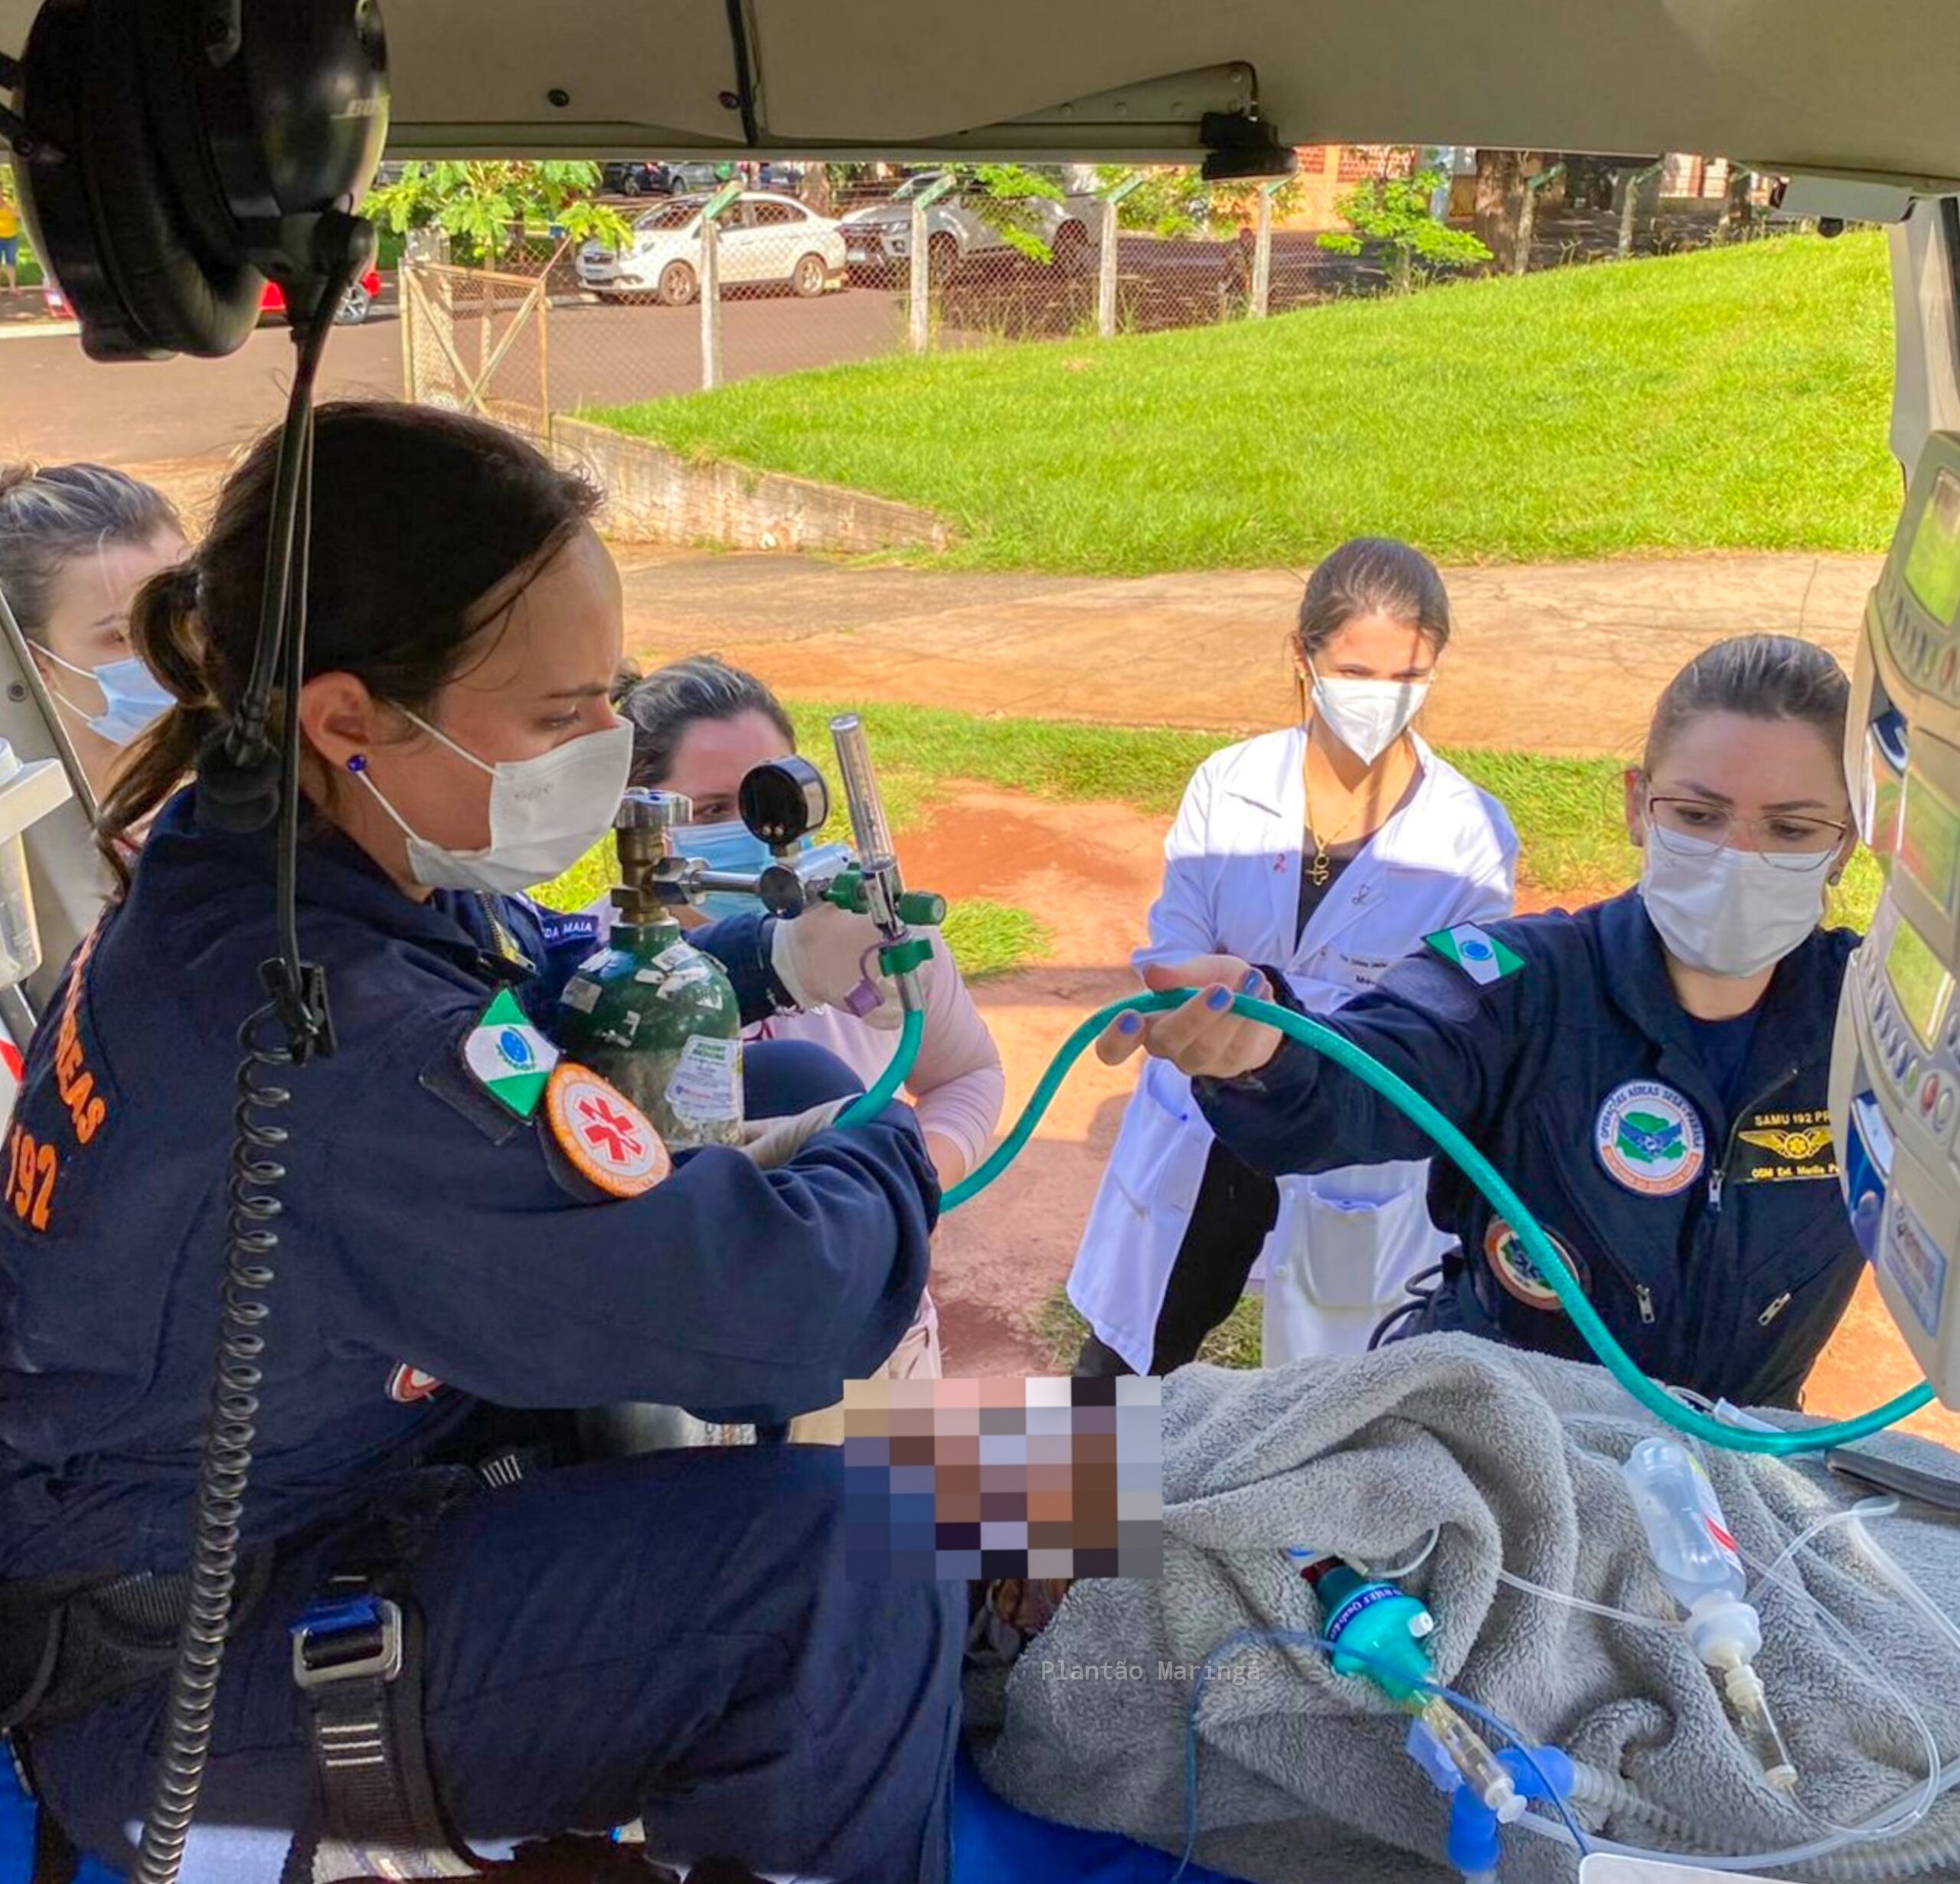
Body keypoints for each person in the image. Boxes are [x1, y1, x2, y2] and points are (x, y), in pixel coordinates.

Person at [0, 403, 959, 1884]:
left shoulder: (271, 856)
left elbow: (508, 980)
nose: (607, 747)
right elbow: (774, 1317)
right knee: (852, 1567)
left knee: (990, 1497)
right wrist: (894, 1154)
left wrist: (764, 964)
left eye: (614, 698)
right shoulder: (327, 1032)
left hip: (313, 1512)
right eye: (561, 715)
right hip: (197, 1683)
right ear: (347, 717)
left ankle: (1089, 1556)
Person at [1096, 633, 1864, 1412]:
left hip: (1739, 1472)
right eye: (1697, 814)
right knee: (1102, 1471)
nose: (1737, 857)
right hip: (1491, 1453)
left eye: (1791, 829)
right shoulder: (1520, 984)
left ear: (1850, 839)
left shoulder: (1875, 1024)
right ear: (1638, 805)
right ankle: (994, 1513)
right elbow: (1364, 1080)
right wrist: (1268, 1048)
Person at [1070, 538, 1518, 1375]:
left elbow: (1451, 1018)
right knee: (1122, 1370)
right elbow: (1174, 949)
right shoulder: (1225, 785)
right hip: (1206, 1114)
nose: (1379, 700)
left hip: (1345, 1144)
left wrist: (1262, 997)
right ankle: (1088, 1505)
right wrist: (1223, 995)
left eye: (1405, 678)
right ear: (1302, 656)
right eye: (1354, 672)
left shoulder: (1471, 836)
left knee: (1330, 1405)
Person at [614, 653, 1007, 1392]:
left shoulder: (869, 933)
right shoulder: (599, 977)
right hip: (691, 1361)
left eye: (770, 796)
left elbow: (969, 1073)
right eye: (709, 812)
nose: (758, 835)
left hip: (869, 1329)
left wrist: (902, 1187)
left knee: (943, 1501)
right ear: (640, 824)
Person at [0, 462, 185, 798]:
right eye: (123, 636)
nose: (176, 646)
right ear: (33, 661)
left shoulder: (254, 782)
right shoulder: (19, 833)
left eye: (186, 611)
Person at [0, 188, 18, 292]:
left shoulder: (9, 203)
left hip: (11, 237)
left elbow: (17, 215)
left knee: (11, 261)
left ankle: (12, 287)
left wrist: (6, 206)